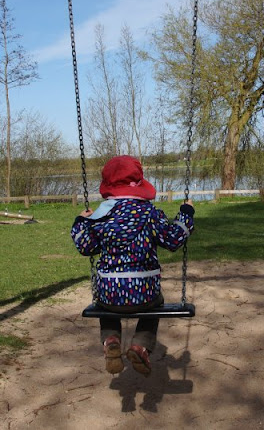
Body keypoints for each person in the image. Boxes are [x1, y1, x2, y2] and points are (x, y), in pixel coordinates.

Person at [71, 155, 195, 376]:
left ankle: (111, 340)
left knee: (105, 304)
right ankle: (140, 345)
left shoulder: (101, 216)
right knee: (156, 304)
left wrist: (81, 222)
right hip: (145, 295)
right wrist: (186, 214)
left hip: (109, 296)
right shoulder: (150, 214)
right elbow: (174, 239)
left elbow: (85, 247)